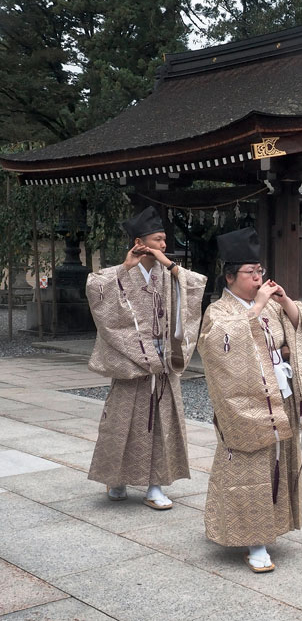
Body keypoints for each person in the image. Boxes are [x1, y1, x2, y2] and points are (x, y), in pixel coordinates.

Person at [196, 227, 302, 572]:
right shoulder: (218, 311)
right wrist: (258, 307)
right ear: (230, 276)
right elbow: (219, 344)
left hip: (279, 396)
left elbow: (299, 326)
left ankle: (272, 527)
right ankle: (254, 541)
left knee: (278, 463)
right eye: (250, 272)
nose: (257, 278)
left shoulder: (269, 306)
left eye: (260, 271)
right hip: (245, 403)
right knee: (251, 469)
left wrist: (285, 301)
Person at [86, 206, 206, 509]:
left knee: (162, 427)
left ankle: (155, 486)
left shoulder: (169, 275)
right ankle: (116, 478)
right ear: (139, 242)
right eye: (157, 239)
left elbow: (195, 286)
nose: (163, 244)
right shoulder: (119, 273)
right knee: (121, 425)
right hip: (131, 363)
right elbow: (96, 291)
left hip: (163, 364)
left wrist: (170, 265)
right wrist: (125, 268)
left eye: (164, 239)